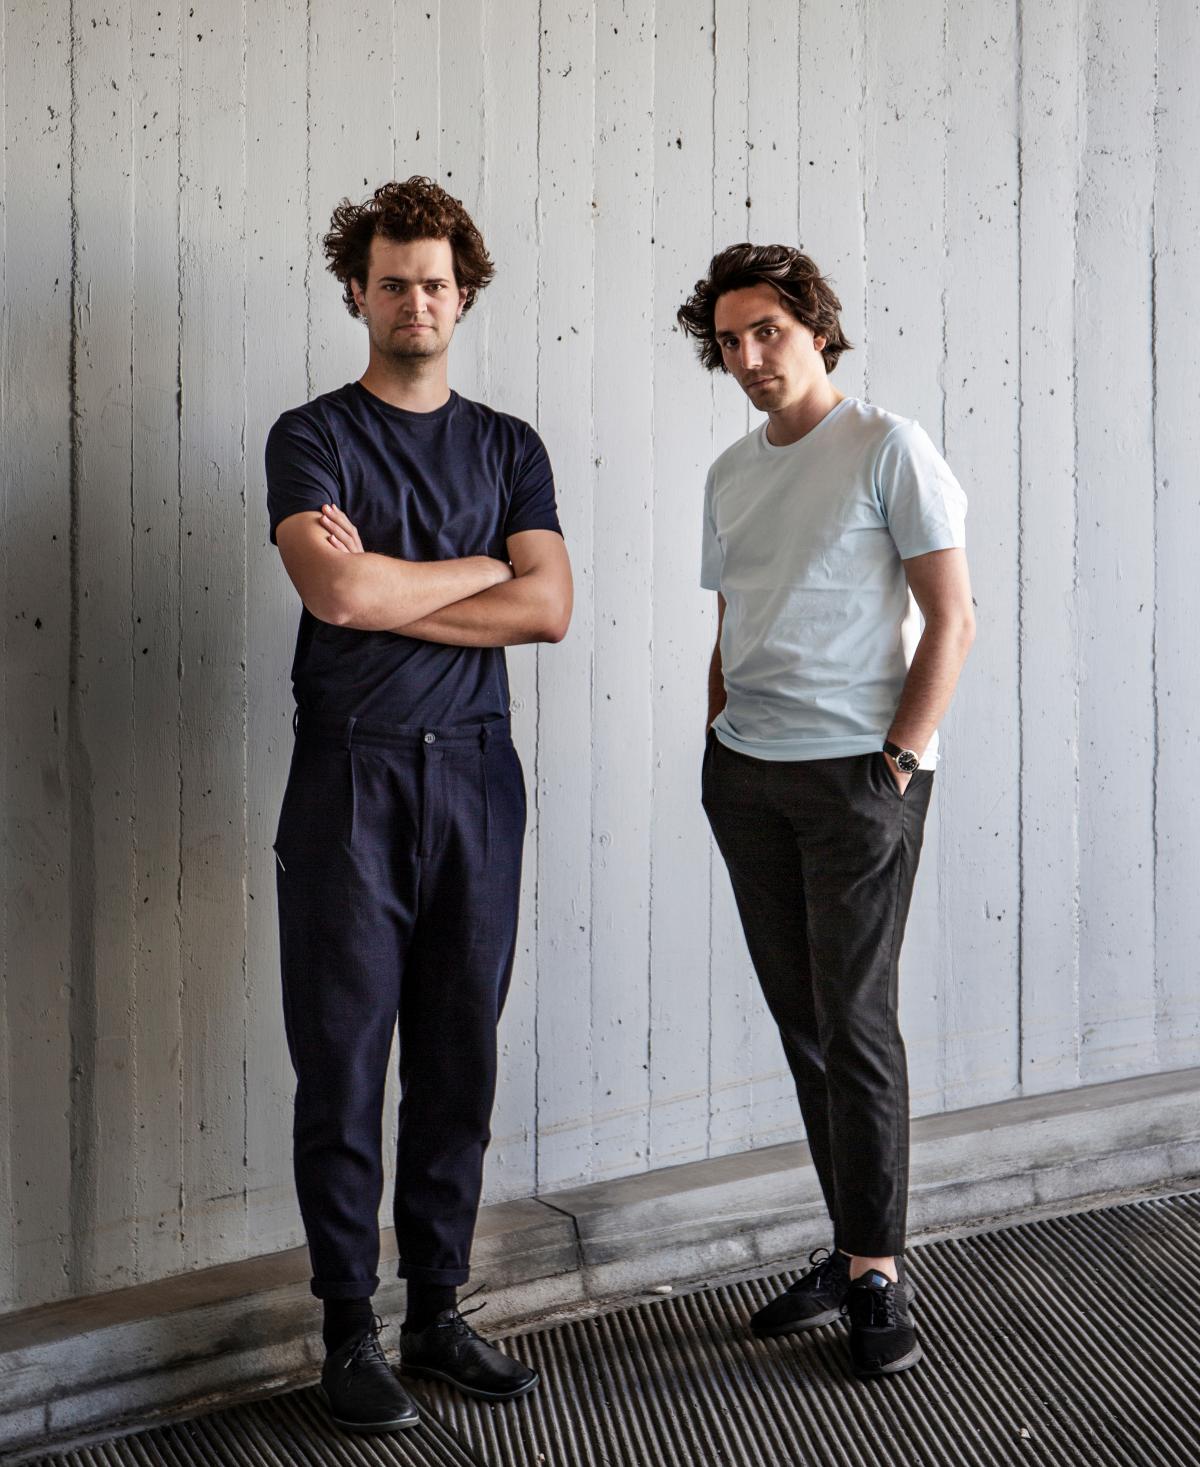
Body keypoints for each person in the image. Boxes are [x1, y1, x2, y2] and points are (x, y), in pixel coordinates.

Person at [265, 177, 572, 1434]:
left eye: (435, 283)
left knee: (459, 1055)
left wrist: (399, 584)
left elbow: (550, 609)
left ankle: (437, 1312)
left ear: (464, 295)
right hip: (351, 771)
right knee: (342, 1062)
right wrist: (481, 565)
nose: (415, 301)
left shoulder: (510, 446)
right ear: (359, 292)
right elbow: (335, 596)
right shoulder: (311, 436)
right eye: (392, 282)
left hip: (478, 778)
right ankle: (349, 1333)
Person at [677, 244, 974, 1379]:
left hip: (858, 780)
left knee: (854, 1026)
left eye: (768, 332)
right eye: (729, 341)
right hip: (748, 778)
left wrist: (897, 760)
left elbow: (952, 617)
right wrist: (717, 739)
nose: (749, 356)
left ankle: (878, 1275)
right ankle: (854, 1245)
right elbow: (734, 621)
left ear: (814, 327)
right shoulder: (729, 472)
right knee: (806, 1028)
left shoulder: (888, 446)